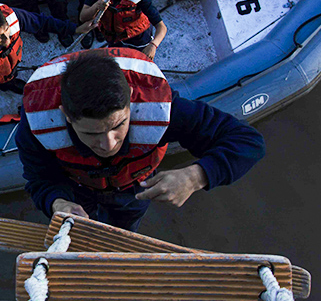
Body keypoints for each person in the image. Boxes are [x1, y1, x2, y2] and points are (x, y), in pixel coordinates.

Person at [16, 48, 265, 232]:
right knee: (81, 229)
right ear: (66, 116)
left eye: (118, 125)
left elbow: (248, 141)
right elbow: (40, 179)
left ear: (131, 105)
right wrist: (57, 202)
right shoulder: (37, 126)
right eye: (91, 133)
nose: (109, 144)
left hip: (135, 190)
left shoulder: (161, 109)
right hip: (77, 191)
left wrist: (195, 176)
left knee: (126, 227)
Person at [0, 4, 93, 153]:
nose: (7, 40)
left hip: (7, 67)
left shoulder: (13, 17)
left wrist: (74, 29)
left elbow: (42, 21)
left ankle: (8, 82)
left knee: (9, 70)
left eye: (7, 31)